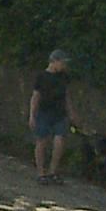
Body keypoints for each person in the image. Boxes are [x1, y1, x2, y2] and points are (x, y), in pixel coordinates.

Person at [29, 49, 77, 184]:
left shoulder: (64, 77)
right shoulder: (42, 76)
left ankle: (53, 171)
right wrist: (32, 115)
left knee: (60, 141)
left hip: (59, 114)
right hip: (44, 113)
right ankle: (41, 173)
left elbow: (66, 96)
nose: (64, 66)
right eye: (62, 63)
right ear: (54, 61)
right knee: (42, 141)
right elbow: (35, 97)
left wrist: (71, 112)